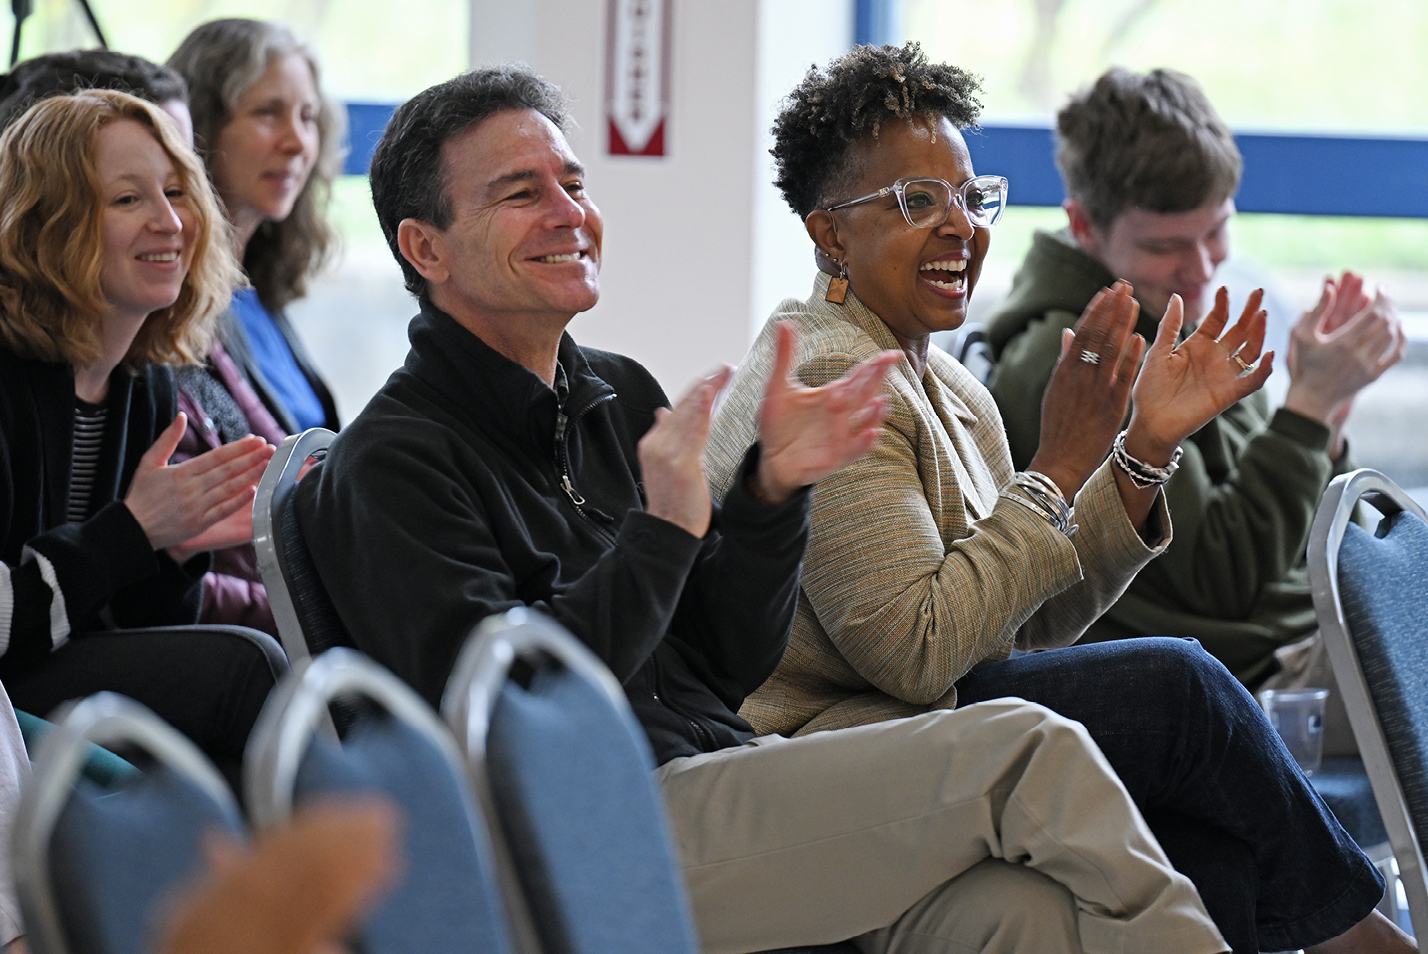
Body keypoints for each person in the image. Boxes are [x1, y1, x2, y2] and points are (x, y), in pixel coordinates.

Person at [297, 65, 1234, 954]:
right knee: (1030, 748)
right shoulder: (392, 461)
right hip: (581, 835)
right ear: (426, 247)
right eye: (520, 193)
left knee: (1019, 916)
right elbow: (505, 715)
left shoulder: (611, 392)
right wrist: (662, 533)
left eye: (573, 183)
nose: (570, 214)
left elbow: (722, 661)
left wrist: (769, 497)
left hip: (716, 774)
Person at [703, 44, 1404, 954]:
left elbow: (1022, 622)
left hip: (932, 718)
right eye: (919, 202)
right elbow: (919, 655)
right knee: (1179, 684)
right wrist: (1060, 470)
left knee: (1206, 845)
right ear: (828, 232)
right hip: (829, 756)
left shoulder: (946, 383)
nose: (961, 227)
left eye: (970, 196)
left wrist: (1142, 450)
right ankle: (1367, 938)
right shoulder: (836, 371)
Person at [983, 68, 1406, 734]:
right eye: (1165, 246)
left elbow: (1294, 539)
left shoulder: (1170, 313)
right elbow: (1223, 576)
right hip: (1265, 677)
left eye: (1216, 233)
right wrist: (1308, 411)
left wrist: (1325, 412)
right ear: (1083, 226)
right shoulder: (1081, 363)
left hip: (1317, 634)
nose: (1204, 268)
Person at [0, 89, 284, 783]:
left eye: (178, 192)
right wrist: (132, 532)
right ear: (48, 223)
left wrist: (171, 550)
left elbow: (126, 620)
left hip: (47, 665)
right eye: (128, 200)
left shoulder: (145, 380)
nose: (170, 222)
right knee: (246, 671)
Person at [168, 18, 343, 437]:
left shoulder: (254, 291)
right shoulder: (166, 304)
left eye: (307, 117)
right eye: (268, 113)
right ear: (199, 127)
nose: (298, 142)